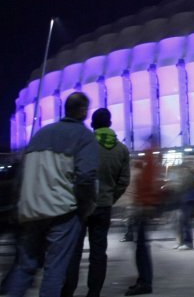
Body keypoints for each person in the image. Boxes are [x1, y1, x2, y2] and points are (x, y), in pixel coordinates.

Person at [6, 92, 99, 297]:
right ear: (83, 111)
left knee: (24, 267)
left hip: (30, 210)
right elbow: (86, 176)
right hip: (62, 210)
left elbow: (21, 176)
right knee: (55, 269)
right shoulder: (84, 136)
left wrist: (18, 206)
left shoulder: (40, 134)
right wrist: (85, 207)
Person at [62, 108, 131, 297]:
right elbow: (124, 181)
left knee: (74, 251)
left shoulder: (83, 144)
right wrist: (109, 197)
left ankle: (68, 291)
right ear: (109, 124)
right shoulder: (122, 150)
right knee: (99, 252)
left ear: (92, 124)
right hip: (103, 207)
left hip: (81, 206)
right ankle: (94, 293)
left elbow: (71, 174)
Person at [126, 138, 163, 296]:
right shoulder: (152, 159)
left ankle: (145, 282)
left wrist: (144, 205)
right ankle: (143, 280)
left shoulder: (149, 158)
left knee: (141, 248)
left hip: (143, 208)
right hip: (144, 207)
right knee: (141, 247)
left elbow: (147, 185)